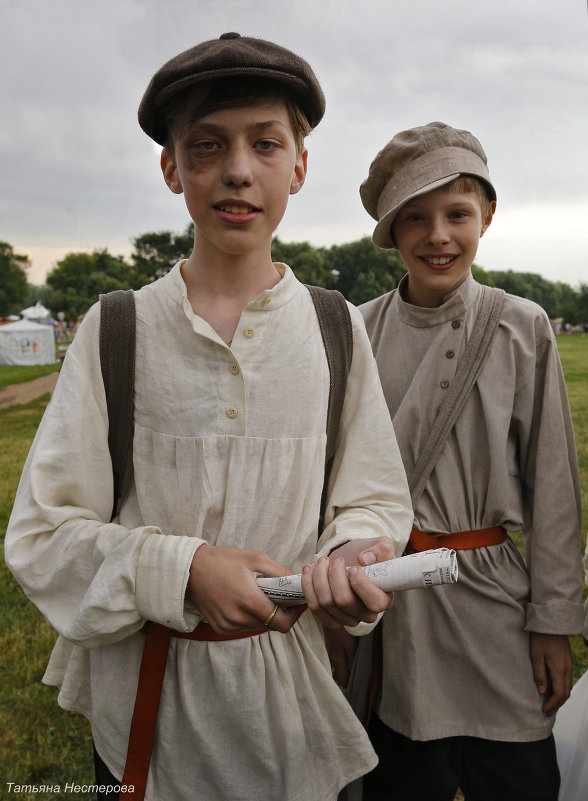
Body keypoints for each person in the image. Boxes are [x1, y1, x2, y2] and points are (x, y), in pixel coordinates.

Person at [4, 34, 413, 801]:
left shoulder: (332, 327)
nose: (237, 169)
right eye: (207, 145)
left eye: (265, 143)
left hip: (288, 712)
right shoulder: (115, 326)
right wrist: (183, 567)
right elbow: (40, 535)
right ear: (171, 168)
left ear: (299, 164)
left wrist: (357, 550)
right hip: (144, 712)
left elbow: (373, 495)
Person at [352, 121, 583, 801]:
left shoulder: (521, 325)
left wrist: (554, 619)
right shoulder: (358, 331)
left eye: (457, 213)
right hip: (396, 605)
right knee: (402, 775)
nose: (438, 235)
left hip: (493, 604)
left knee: (518, 777)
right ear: (392, 230)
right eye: (415, 218)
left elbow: (554, 490)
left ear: (487, 214)